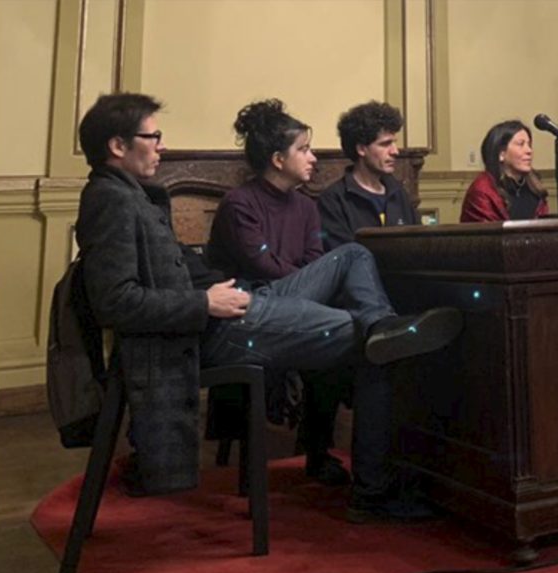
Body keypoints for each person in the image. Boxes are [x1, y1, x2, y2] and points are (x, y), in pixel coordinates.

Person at [75, 93, 462, 522]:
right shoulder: (110, 199)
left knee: (354, 260)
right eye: (154, 136)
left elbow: (184, 269)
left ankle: (381, 327)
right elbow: (113, 302)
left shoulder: (133, 196)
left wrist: (214, 287)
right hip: (216, 328)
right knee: (372, 343)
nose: (161, 146)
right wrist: (203, 301)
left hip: (240, 302)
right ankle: (374, 493)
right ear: (117, 145)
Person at [206, 99, 345, 488]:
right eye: (303, 149)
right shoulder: (240, 204)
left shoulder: (306, 206)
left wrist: (307, 288)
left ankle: (316, 451)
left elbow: (314, 260)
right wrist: (308, 287)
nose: (313, 158)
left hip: (293, 302)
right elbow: (262, 266)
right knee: (342, 294)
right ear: (278, 159)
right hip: (250, 310)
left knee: (334, 338)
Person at [317, 101, 419, 249]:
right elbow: (344, 258)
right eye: (385, 144)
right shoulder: (334, 200)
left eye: (394, 143)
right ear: (361, 149)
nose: (395, 151)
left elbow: (419, 244)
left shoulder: (398, 192)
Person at [460, 120, 548, 222]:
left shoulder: (534, 188)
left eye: (529, 144)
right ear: (501, 154)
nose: (529, 151)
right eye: (521, 144)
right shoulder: (482, 190)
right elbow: (488, 234)